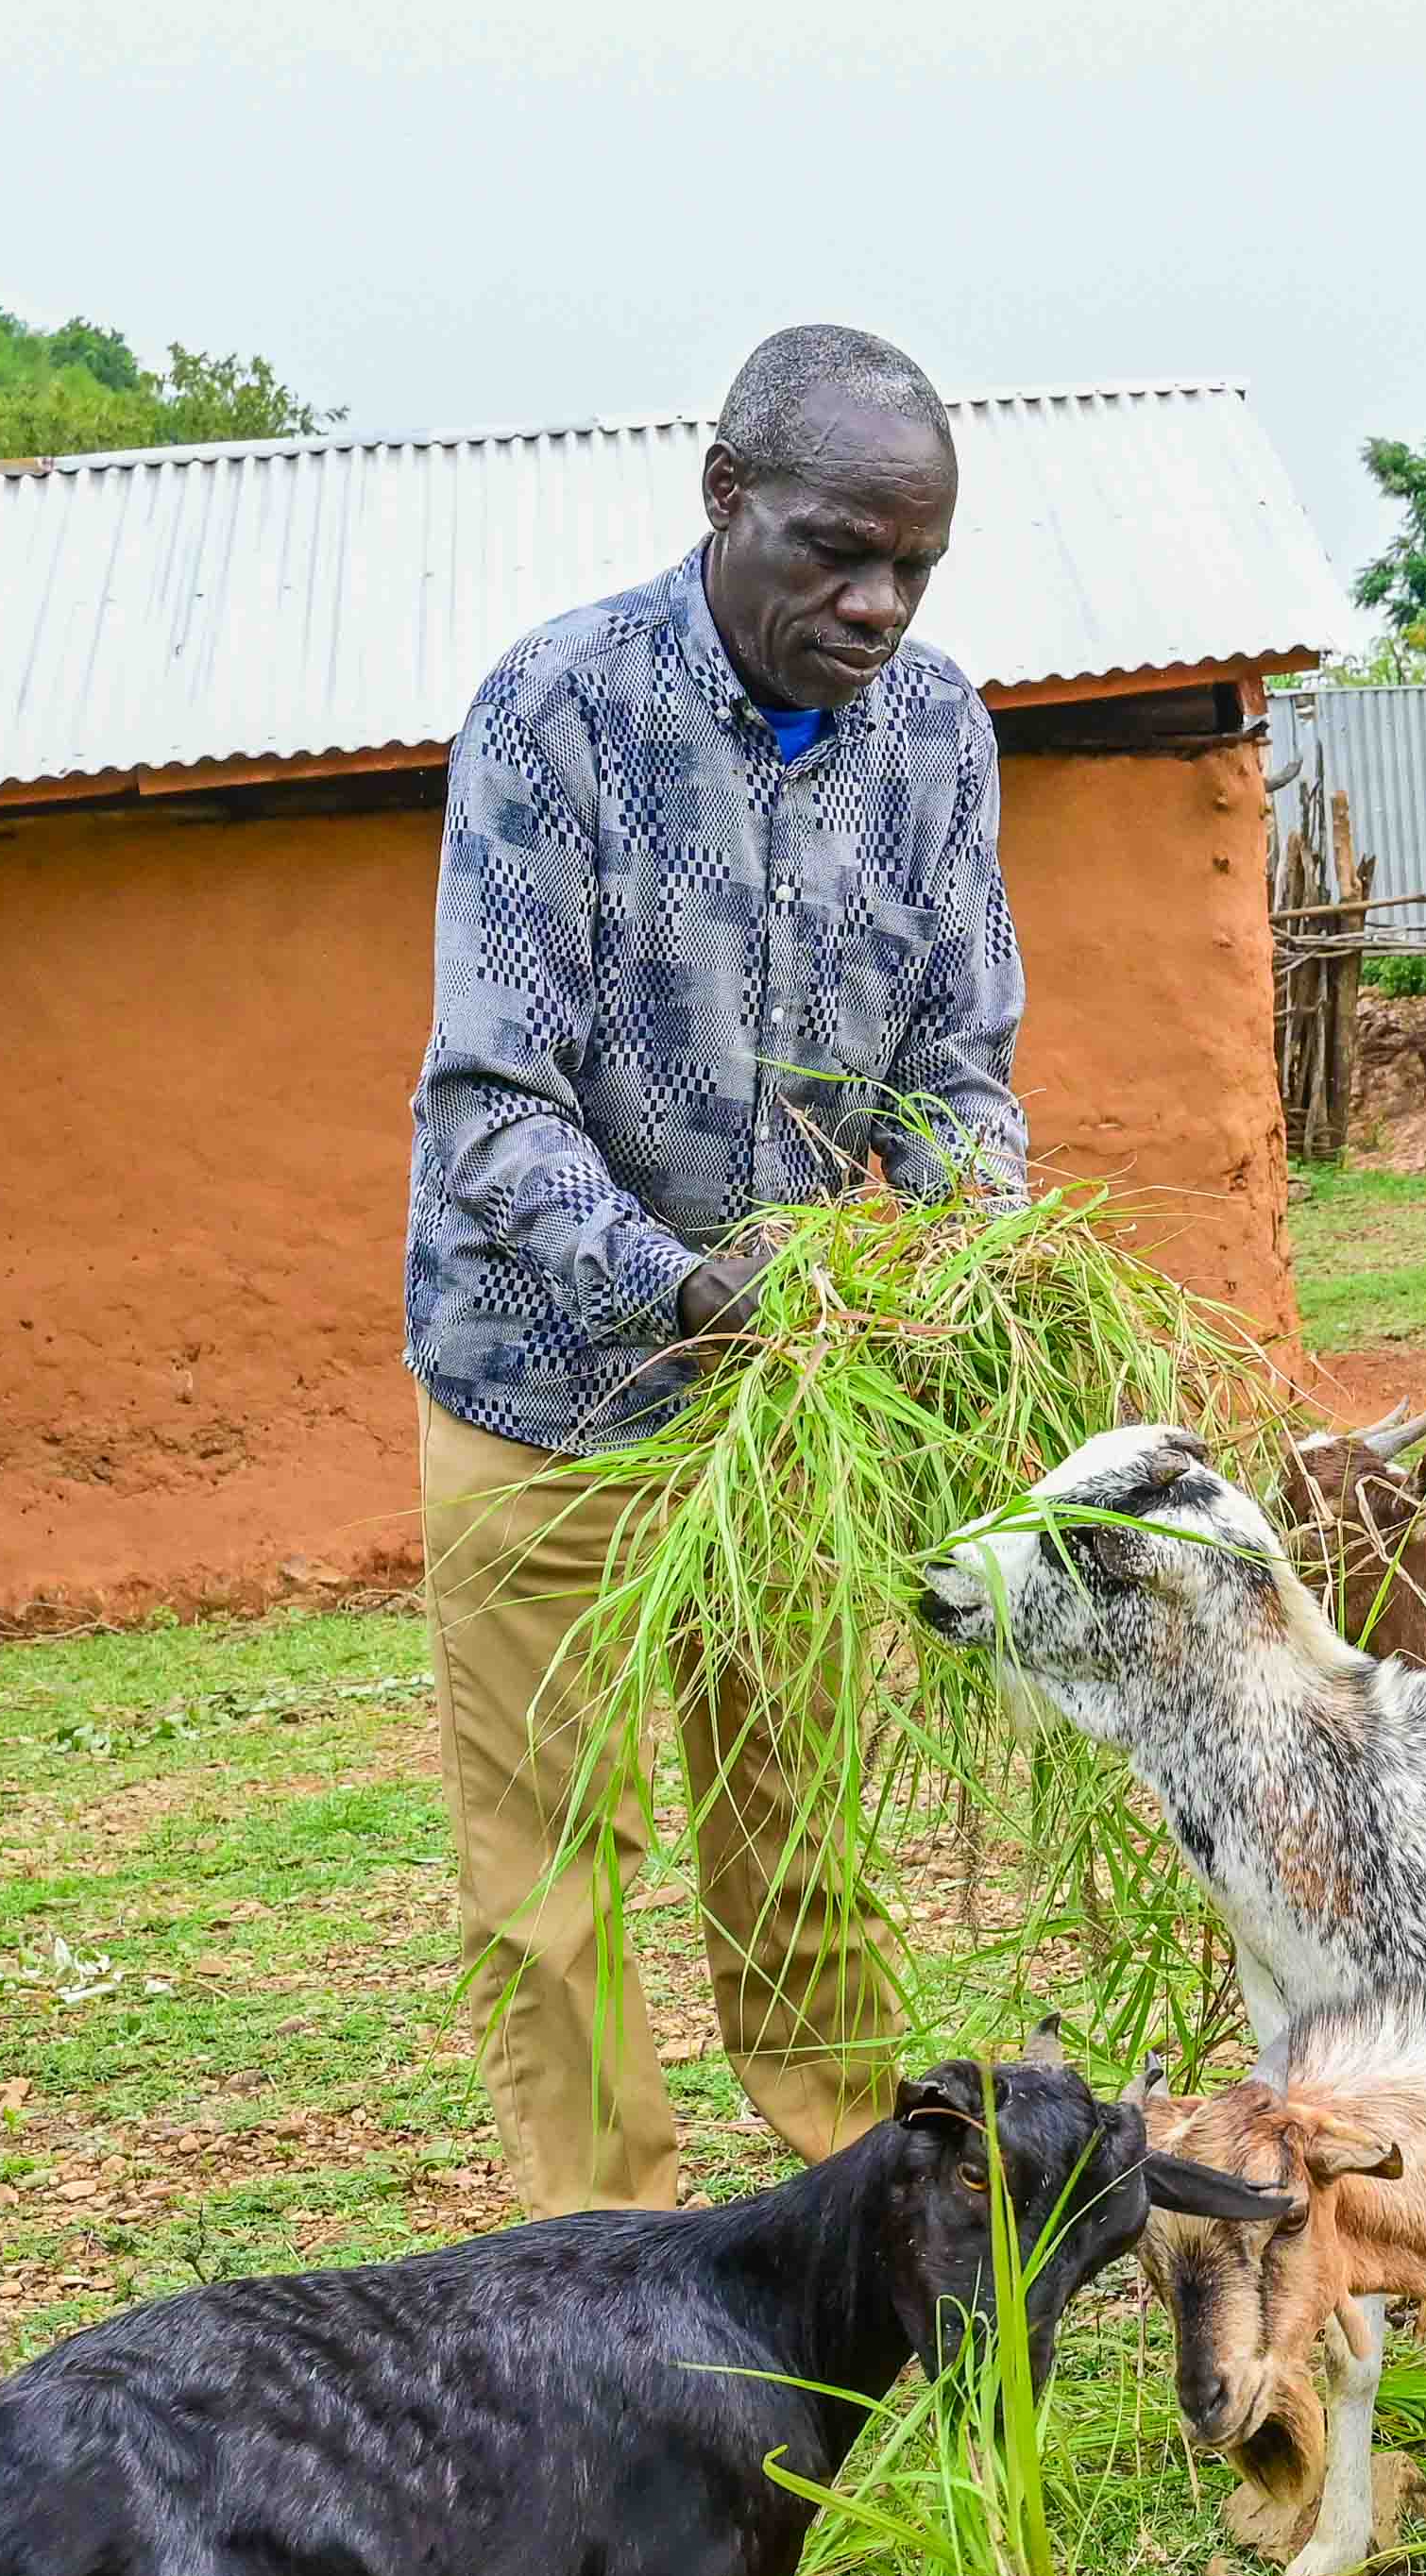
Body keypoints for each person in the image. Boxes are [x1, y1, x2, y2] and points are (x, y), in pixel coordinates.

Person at [405, 323, 1024, 2212]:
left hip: (793, 1420)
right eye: (839, 549)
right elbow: (496, 1102)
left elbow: (963, 1073)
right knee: (548, 1883)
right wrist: (686, 1285)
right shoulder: (557, 712)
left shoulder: (937, 733)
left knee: (806, 1850)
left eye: (913, 564)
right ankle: (606, 2282)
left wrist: (940, 1244)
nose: (876, 602)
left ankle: (846, 2235)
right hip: (546, 1397)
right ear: (724, 495)